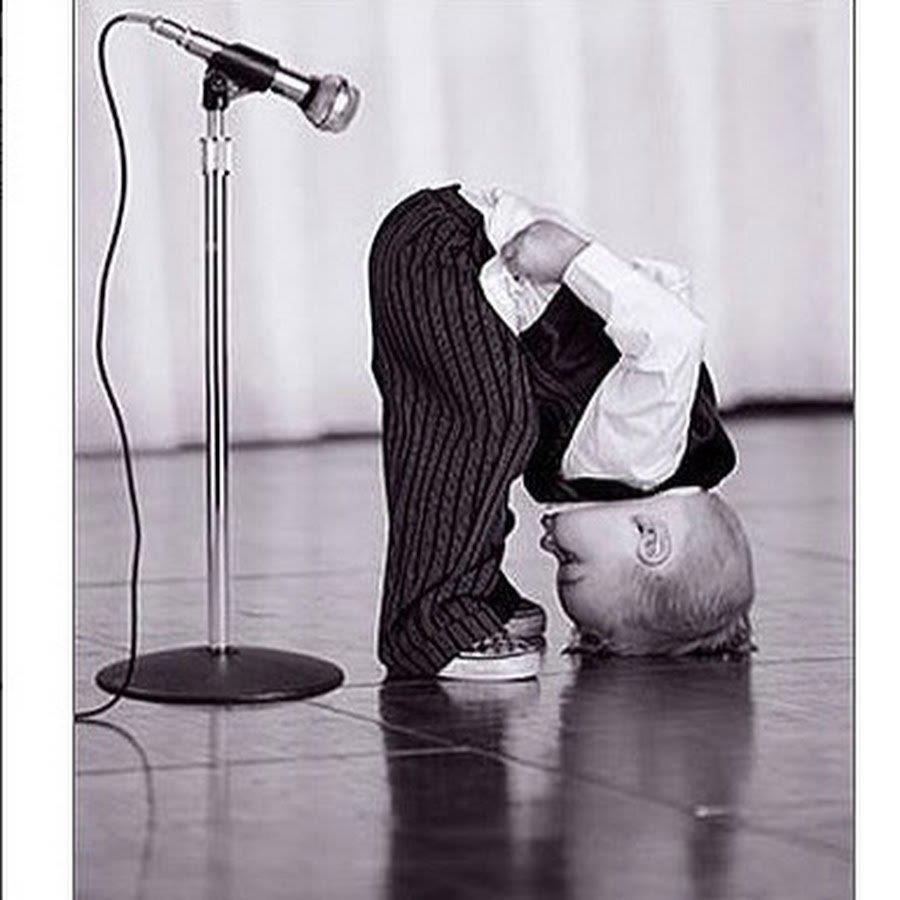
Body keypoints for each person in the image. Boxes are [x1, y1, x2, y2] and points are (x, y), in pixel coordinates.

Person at [368, 184, 752, 681]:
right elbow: (673, 335)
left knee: (478, 436)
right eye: (571, 561)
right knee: (487, 430)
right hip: (448, 253)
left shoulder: (637, 464)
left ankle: (471, 590)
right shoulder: (642, 454)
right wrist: (572, 258)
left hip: (444, 256)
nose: (549, 549)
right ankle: (435, 619)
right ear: (649, 538)